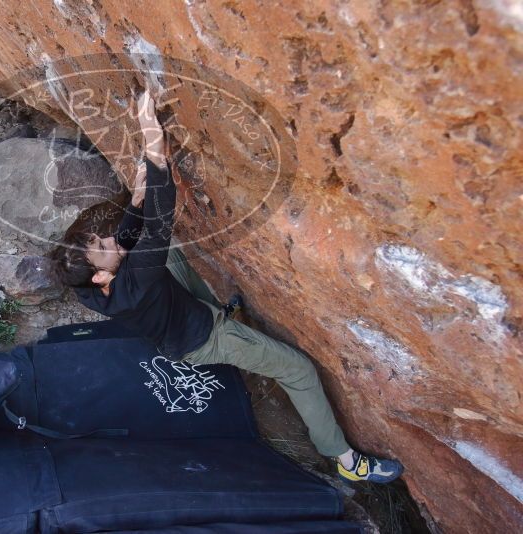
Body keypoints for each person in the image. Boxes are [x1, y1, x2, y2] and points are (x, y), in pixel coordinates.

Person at [49, 90, 403, 484]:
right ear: (102, 276)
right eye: (102, 247)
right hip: (204, 337)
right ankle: (344, 460)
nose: (110, 239)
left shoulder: (85, 283)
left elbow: (129, 242)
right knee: (298, 369)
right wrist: (151, 138)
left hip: (173, 312)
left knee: (156, 252)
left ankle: (212, 305)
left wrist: (134, 200)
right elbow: (162, 213)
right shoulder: (134, 281)